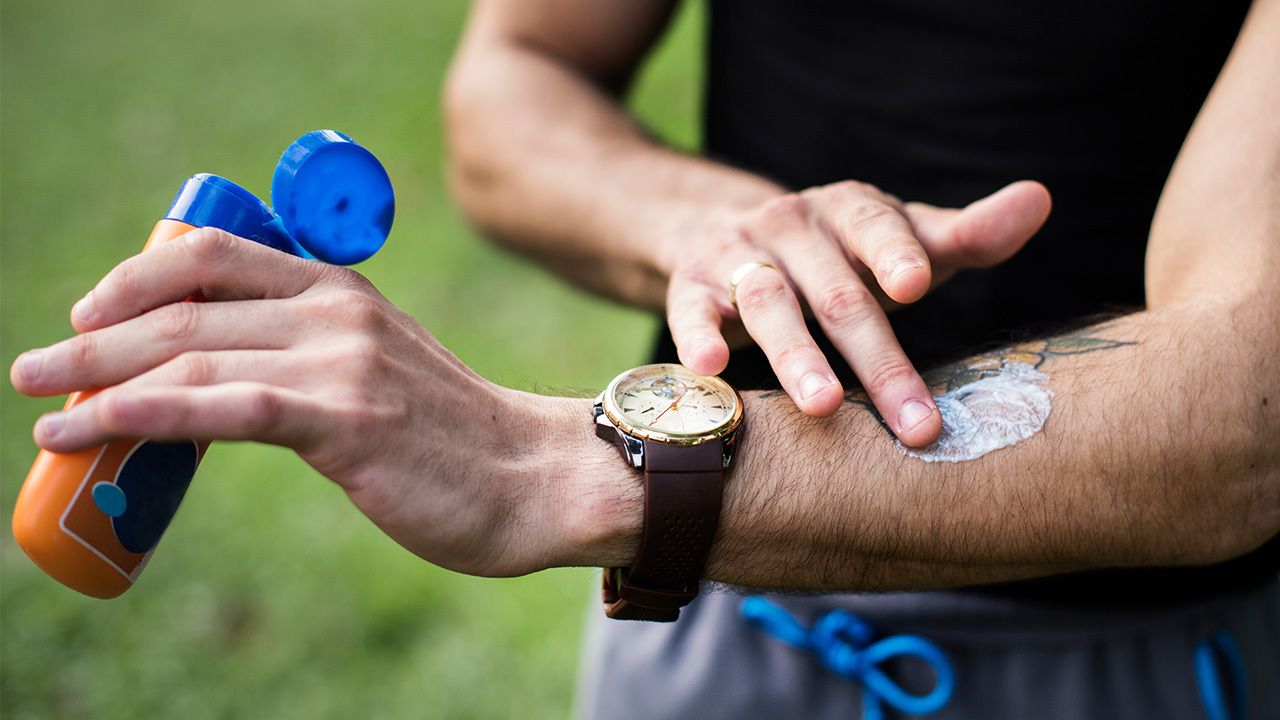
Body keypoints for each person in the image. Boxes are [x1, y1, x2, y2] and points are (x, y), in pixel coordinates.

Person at [9, 0, 1277, 717]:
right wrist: (699, 223)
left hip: (1154, 661)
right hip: (712, 640)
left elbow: (1245, 409)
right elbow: (515, 75)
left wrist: (557, 467)